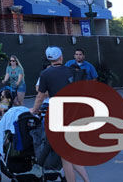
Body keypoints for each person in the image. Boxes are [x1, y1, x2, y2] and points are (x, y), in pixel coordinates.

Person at [30, 47, 90, 182]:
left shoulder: (45, 74)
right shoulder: (71, 71)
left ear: (49, 59)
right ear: (61, 57)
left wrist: (33, 110)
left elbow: (40, 97)